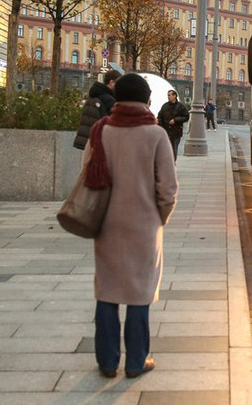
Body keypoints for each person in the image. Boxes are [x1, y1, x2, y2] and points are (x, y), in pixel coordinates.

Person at [83, 73, 178, 379]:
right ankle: (137, 361)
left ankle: (108, 362)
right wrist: (159, 217)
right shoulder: (156, 134)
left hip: (106, 222)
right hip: (144, 225)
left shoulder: (100, 130)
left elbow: (87, 171)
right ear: (147, 100)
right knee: (139, 293)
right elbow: (168, 188)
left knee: (107, 291)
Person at [73, 70, 121, 150]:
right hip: (100, 142)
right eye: (118, 84)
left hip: (88, 140)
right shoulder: (108, 100)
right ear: (111, 82)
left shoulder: (95, 95)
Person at [156, 89, 189, 162]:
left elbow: (186, 116)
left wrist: (176, 120)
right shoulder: (165, 106)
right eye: (168, 95)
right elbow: (160, 116)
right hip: (166, 131)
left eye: (169, 95)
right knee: (165, 148)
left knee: (174, 148)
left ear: (174, 96)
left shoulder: (180, 106)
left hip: (176, 131)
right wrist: (160, 124)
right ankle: (167, 162)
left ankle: (173, 163)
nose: (168, 97)